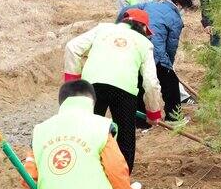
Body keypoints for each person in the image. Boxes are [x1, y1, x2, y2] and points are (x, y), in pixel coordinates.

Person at [64, 9, 163, 172]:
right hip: (124, 90)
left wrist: (73, 84)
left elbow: (72, 47)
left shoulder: (102, 28)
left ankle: (83, 171)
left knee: (88, 130)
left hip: (92, 86)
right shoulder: (145, 43)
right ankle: (122, 184)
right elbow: (151, 83)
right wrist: (153, 113)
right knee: (125, 137)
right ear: (143, 27)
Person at [119, 0, 193, 122]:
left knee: (140, 84)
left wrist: (119, 26)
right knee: (171, 84)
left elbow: (126, 9)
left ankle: (140, 121)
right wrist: (168, 65)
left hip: (135, 49)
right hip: (155, 52)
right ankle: (173, 118)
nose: (184, 12)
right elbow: (171, 46)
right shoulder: (175, 18)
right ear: (179, 4)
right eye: (184, 8)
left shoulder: (150, 4)